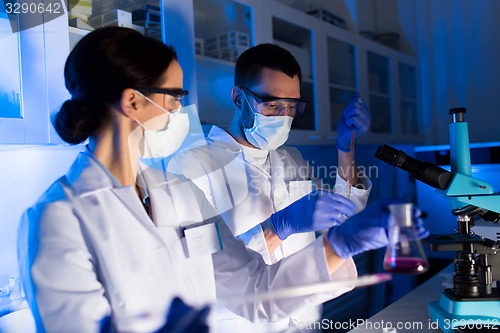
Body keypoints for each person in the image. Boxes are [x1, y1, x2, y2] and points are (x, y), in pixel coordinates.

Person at [17, 27, 407, 333]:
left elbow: (254, 288)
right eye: (173, 98)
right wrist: (280, 226)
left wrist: (340, 244)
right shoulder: (58, 218)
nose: (181, 111)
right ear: (133, 102)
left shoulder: (177, 196)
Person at [170, 43, 372, 332]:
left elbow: (343, 214)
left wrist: (346, 148)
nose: (284, 116)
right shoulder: (192, 165)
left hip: (304, 319)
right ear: (239, 98)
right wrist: (278, 227)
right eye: (273, 104)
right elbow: (201, 269)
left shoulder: (292, 158)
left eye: (292, 106)